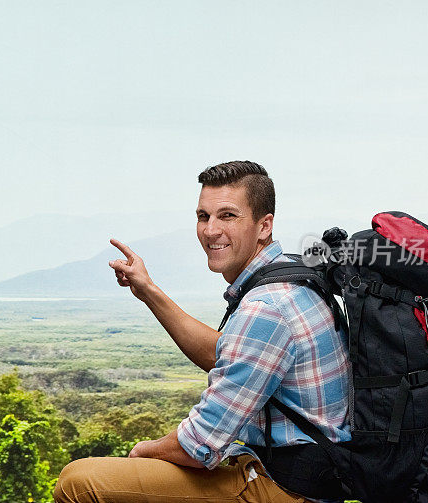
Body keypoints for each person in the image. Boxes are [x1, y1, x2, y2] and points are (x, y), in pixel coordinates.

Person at [53, 161, 351, 503]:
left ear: (264, 226)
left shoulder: (265, 308)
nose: (210, 230)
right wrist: (148, 289)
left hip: (283, 490)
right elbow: (222, 354)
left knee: (79, 482)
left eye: (227, 216)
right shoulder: (290, 276)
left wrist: (143, 451)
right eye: (203, 216)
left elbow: (201, 444)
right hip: (293, 475)